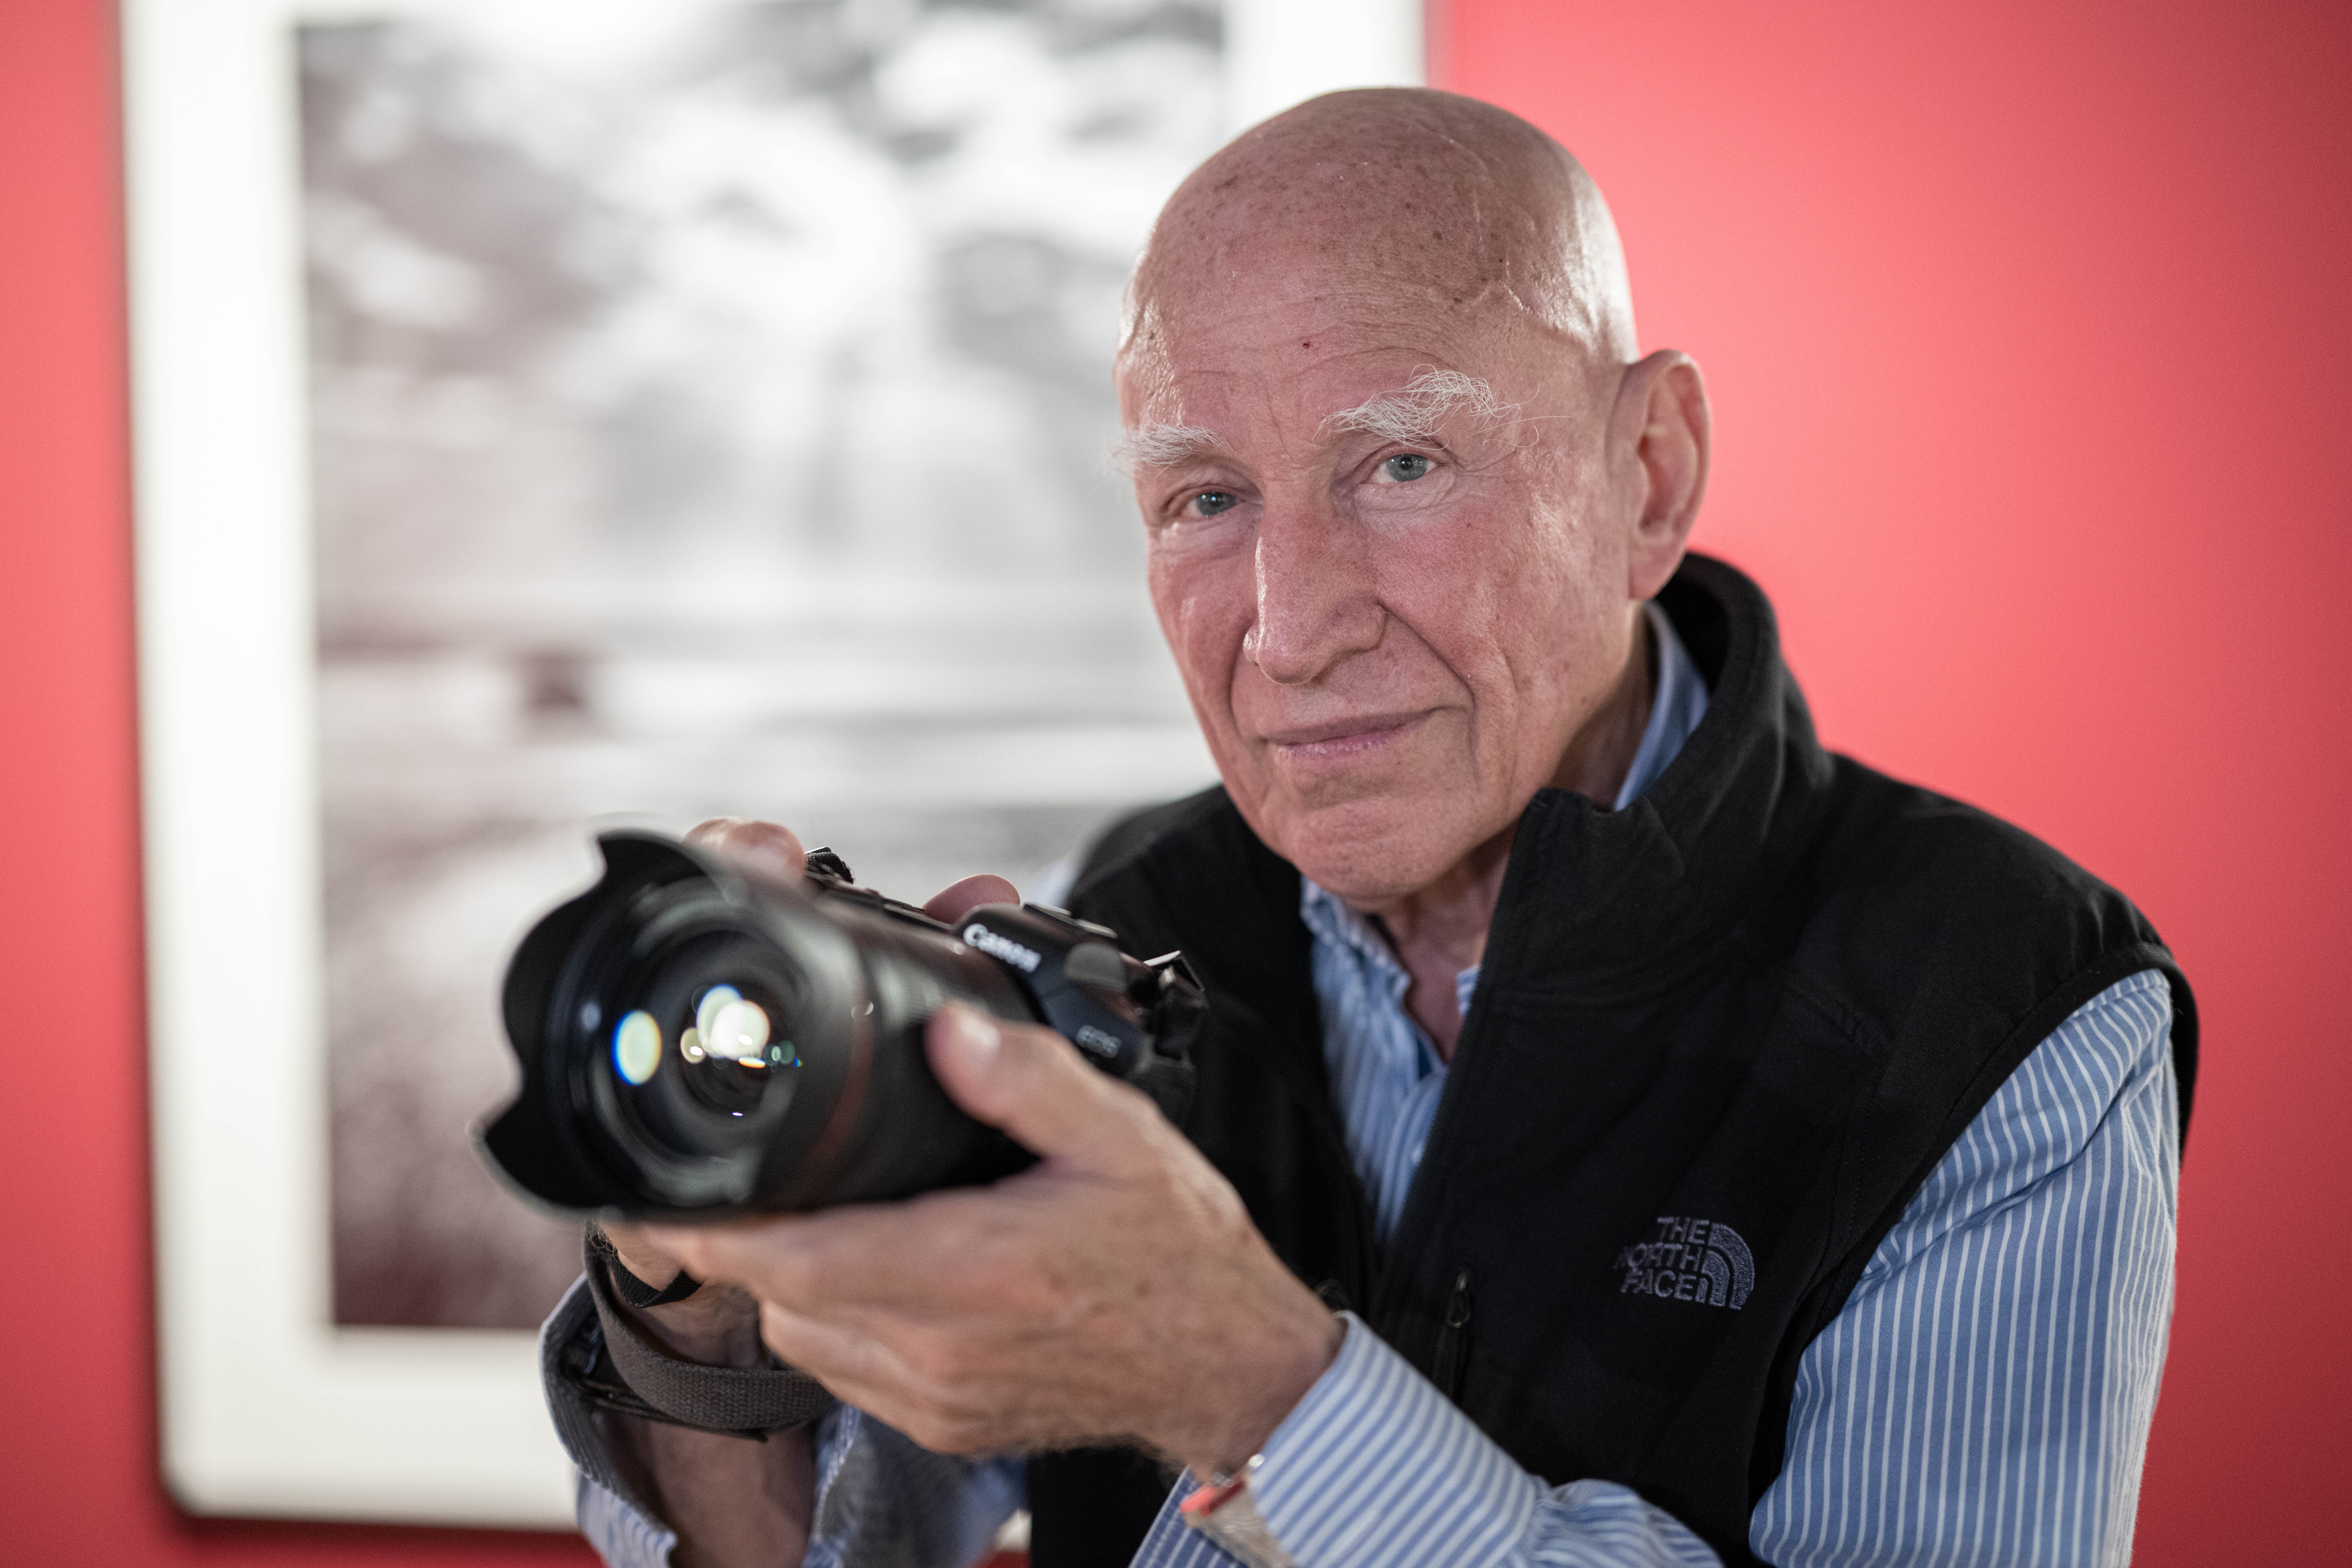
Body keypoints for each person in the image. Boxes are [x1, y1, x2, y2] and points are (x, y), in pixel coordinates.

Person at [538, 88, 2193, 1568]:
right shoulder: (1107, 916)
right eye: (1206, 498)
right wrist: (703, 1302)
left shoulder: (2009, 1011)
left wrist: (1250, 1388)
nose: (1289, 629)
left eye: (1401, 463)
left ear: (1649, 475)